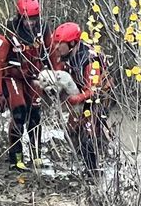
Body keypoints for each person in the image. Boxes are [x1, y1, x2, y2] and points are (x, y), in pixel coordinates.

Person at [0, 0, 50, 171]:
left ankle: (37, 156)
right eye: (27, 19)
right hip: (13, 77)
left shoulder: (44, 27)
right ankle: (16, 159)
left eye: (33, 19)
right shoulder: (8, 30)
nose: (30, 23)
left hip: (34, 77)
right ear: (19, 16)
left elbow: (51, 52)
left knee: (35, 115)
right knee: (19, 113)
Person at [46, 21, 113, 174]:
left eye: (59, 44)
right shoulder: (66, 54)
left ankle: (94, 170)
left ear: (72, 43)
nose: (55, 47)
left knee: (88, 135)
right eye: (55, 43)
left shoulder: (90, 61)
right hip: (80, 93)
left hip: (98, 98)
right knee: (71, 131)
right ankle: (85, 159)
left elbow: (93, 90)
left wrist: (74, 99)